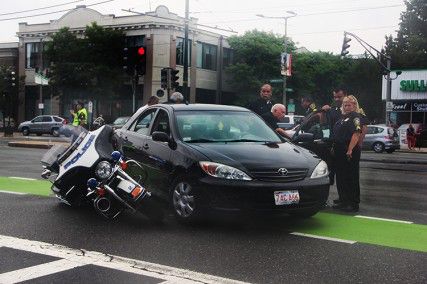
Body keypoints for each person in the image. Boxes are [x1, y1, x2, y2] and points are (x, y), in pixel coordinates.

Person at [331, 96, 363, 212]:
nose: (347, 107)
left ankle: (353, 203)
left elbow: (356, 133)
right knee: (341, 177)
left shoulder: (355, 117)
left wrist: (349, 150)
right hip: (339, 151)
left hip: (350, 150)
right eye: (345, 105)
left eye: (349, 105)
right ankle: (343, 200)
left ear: (354, 106)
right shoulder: (342, 118)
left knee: (351, 177)